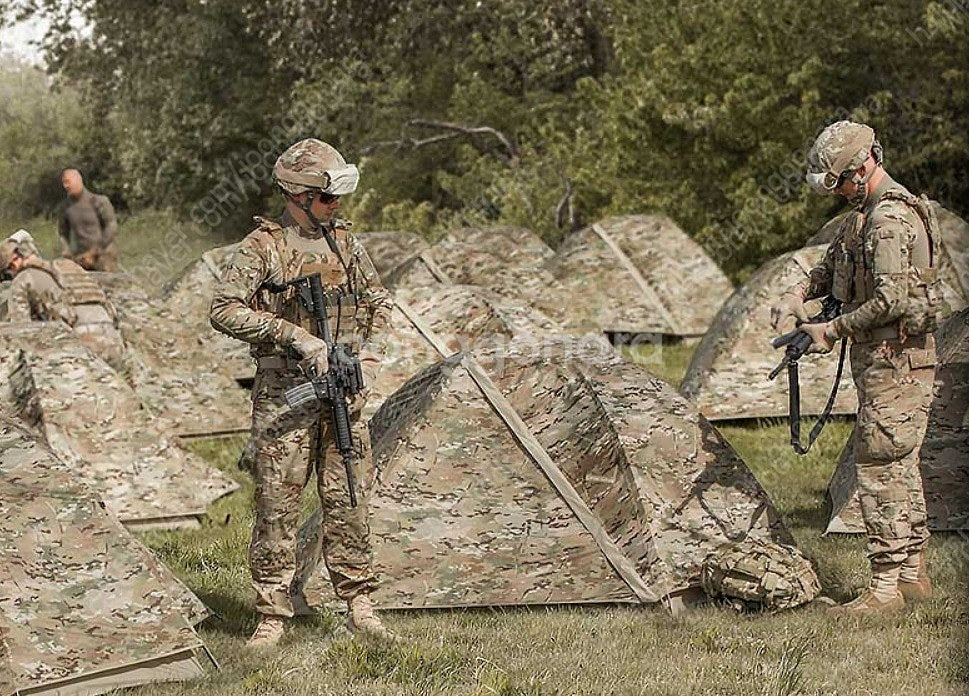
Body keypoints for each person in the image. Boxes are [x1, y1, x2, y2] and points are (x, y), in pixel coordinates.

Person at [209, 138, 394, 647]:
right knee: (278, 505)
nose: (336, 206)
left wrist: (370, 356)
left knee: (349, 498)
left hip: (343, 390)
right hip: (286, 394)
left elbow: (378, 300)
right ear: (299, 195)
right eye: (328, 197)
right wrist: (293, 335)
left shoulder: (344, 243)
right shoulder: (263, 247)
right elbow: (223, 309)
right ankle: (272, 613)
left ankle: (360, 604)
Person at [771, 120, 943, 615]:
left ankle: (885, 589)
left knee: (880, 468)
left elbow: (891, 300)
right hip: (887, 364)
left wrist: (831, 330)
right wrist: (796, 297)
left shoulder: (888, 220)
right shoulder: (862, 217)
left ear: (863, 167)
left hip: (897, 363)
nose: (838, 193)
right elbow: (828, 271)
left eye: (840, 183)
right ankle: (911, 574)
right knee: (900, 465)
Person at [0, 235, 124, 366]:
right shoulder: (69, 266)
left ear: (13, 263)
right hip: (114, 343)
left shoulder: (22, 279)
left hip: (82, 349)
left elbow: (21, 331)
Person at [58, 168, 119, 272]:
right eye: (63, 183)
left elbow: (111, 227)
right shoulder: (65, 207)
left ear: (78, 180)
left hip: (104, 256)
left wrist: (94, 252)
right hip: (82, 259)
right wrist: (66, 252)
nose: (65, 186)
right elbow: (62, 234)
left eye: (68, 182)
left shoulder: (99, 201)